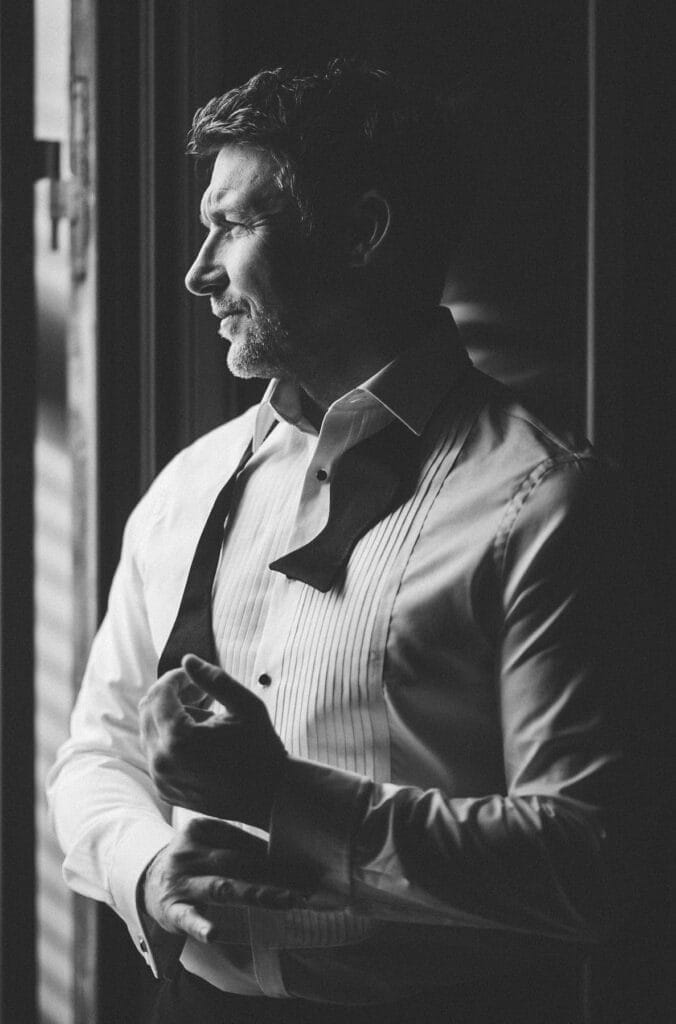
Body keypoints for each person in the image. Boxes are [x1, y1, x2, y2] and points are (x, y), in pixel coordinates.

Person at [47, 60, 631, 1023]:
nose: (198, 270)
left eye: (231, 226)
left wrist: (286, 797)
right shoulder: (186, 488)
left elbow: (591, 863)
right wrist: (147, 871)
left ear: (361, 231)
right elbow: (95, 751)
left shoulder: (548, 503)